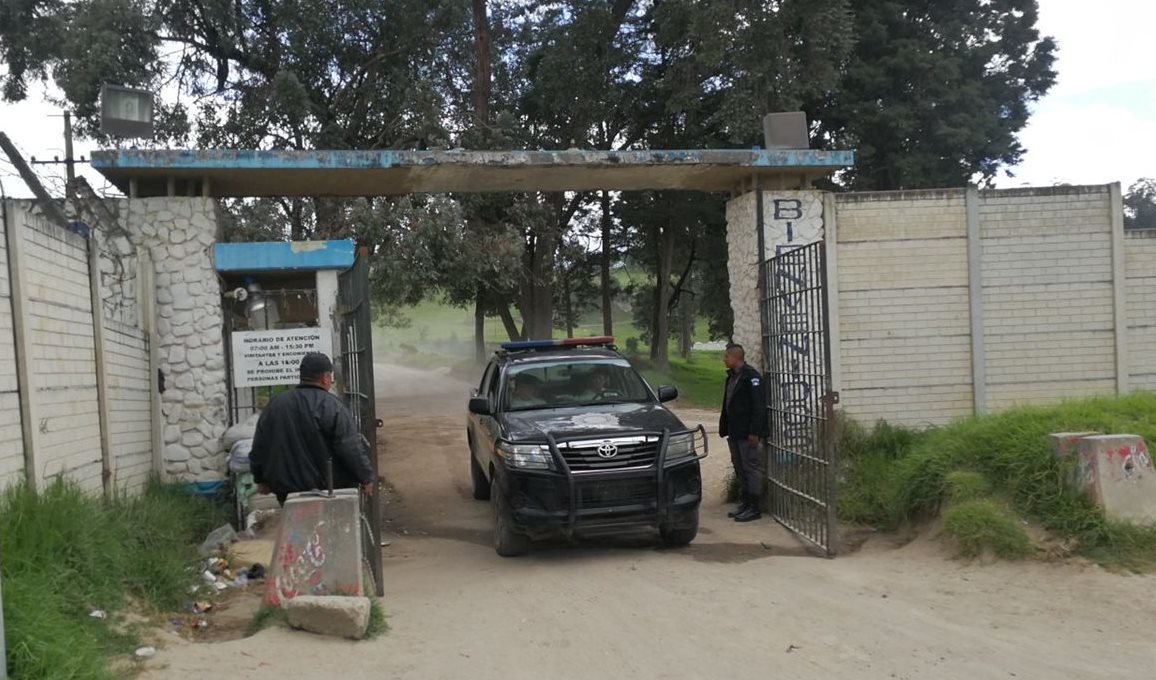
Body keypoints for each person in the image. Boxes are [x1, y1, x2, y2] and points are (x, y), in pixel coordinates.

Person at [250, 352, 375, 506]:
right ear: (325, 378)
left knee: (296, 529)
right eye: (330, 377)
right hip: (327, 492)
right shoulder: (332, 406)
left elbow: (260, 446)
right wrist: (365, 478)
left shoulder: (276, 404)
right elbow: (349, 447)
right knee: (328, 528)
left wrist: (261, 479)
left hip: (287, 493)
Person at [719, 343, 768, 522]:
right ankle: (745, 502)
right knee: (740, 467)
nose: (724, 360)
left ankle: (754, 507)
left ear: (735, 357)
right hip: (735, 431)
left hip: (747, 433)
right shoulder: (732, 377)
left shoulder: (751, 377)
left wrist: (754, 432)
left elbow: (758, 407)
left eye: (726, 357)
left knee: (750, 468)